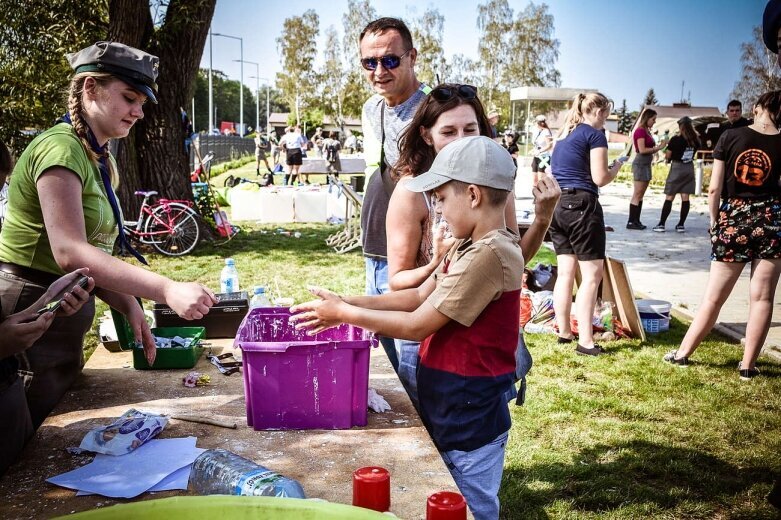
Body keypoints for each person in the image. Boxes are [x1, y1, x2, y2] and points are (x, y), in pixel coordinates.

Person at [291, 136, 523, 520]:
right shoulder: (468, 246)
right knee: (447, 499)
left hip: (472, 416)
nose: (438, 210)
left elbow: (417, 326)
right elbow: (415, 297)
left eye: (442, 199)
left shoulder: (490, 254)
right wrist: (347, 301)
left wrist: (345, 316)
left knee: (471, 509)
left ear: (473, 195)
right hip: (453, 404)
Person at [0, 41, 216, 435]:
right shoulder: (59, 148)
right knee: (26, 441)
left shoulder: (100, 157)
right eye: (129, 98)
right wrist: (165, 288)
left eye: (143, 103)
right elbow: (69, 251)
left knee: (52, 425)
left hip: (65, 307)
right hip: (32, 306)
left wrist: (127, 301)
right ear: (90, 89)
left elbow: (92, 253)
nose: (138, 111)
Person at [388, 83, 560, 406]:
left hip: (479, 342)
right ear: (427, 136)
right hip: (425, 332)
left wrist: (541, 220)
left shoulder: (493, 182)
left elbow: (513, 257)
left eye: (471, 129)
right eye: (449, 132)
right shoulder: (412, 192)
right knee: (428, 434)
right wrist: (436, 262)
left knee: (472, 431)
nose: (462, 141)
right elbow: (398, 283)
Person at [663, 90, 781, 380]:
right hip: (771, 220)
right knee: (763, 298)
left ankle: (682, 354)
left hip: (734, 219)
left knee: (714, 298)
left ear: (757, 107)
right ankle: (747, 366)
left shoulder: (730, 137)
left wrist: (715, 221)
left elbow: (714, 188)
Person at [358, 17, 431, 370]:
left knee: (411, 355)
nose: (378, 71)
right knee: (379, 350)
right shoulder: (371, 108)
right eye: (369, 63)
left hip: (412, 256)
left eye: (390, 60)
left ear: (412, 56)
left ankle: (421, 425)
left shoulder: (433, 110)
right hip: (374, 246)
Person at [549, 92, 625, 356]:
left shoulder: (563, 135)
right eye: (606, 114)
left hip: (558, 206)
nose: (606, 120)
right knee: (592, 276)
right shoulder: (594, 135)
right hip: (582, 204)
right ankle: (586, 341)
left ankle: (564, 331)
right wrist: (616, 167)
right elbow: (600, 177)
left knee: (566, 274)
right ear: (599, 111)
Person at [652, 117, 700, 233]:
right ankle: (681, 225)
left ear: (680, 127)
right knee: (685, 197)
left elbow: (668, 155)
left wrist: (667, 159)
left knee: (670, 196)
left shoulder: (675, 139)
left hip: (677, 168)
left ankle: (662, 224)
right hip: (689, 168)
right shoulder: (696, 140)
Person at [628, 108, 667, 230]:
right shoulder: (640, 131)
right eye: (653, 119)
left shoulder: (647, 131)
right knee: (637, 193)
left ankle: (636, 220)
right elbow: (642, 149)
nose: (654, 122)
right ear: (647, 118)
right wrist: (659, 148)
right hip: (640, 164)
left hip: (646, 164)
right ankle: (631, 221)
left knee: (641, 195)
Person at [531, 114, 554, 185]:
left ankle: (543, 195)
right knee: (534, 179)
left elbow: (549, 145)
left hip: (544, 157)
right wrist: (533, 150)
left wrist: (540, 151)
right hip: (536, 156)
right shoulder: (537, 131)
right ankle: (535, 195)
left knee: (541, 179)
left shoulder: (546, 132)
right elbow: (536, 144)